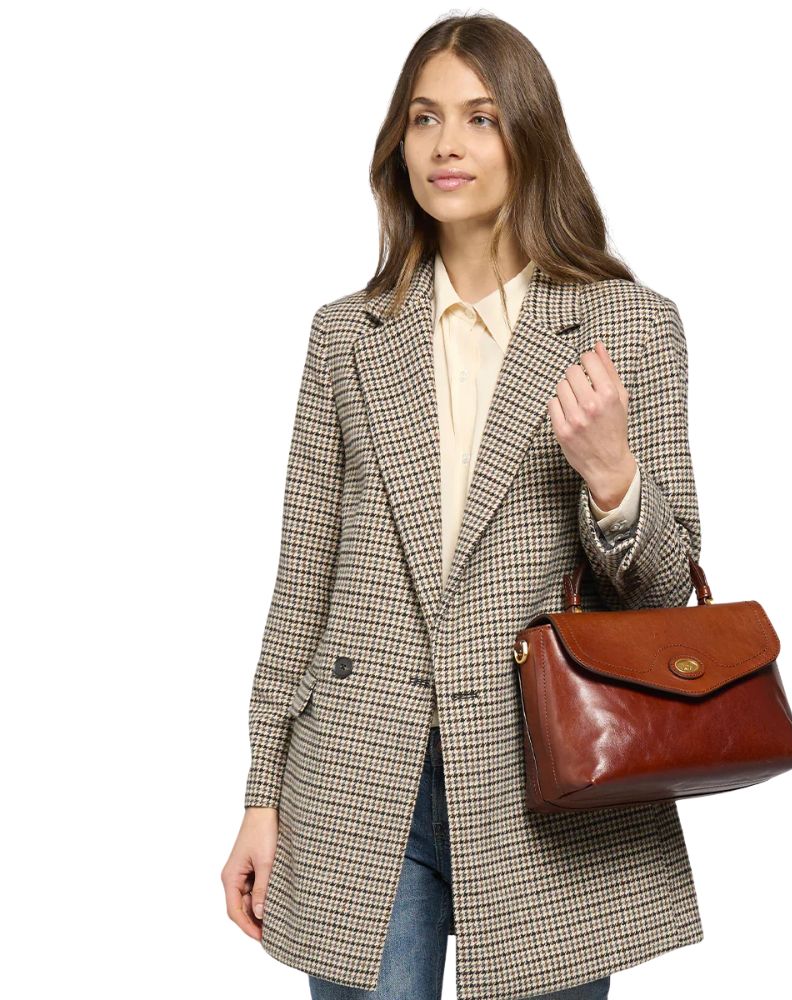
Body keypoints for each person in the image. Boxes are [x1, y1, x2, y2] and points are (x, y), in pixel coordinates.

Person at [222, 14, 704, 1000]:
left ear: (530, 135)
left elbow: (665, 596)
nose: (447, 145)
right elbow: (302, 578)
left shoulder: (630, 327)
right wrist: (260, 794)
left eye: (481, 118)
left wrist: (613, 474)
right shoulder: (348, 337)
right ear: (398, 144)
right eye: (425, 118)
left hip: (549, 780)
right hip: (357, 773)